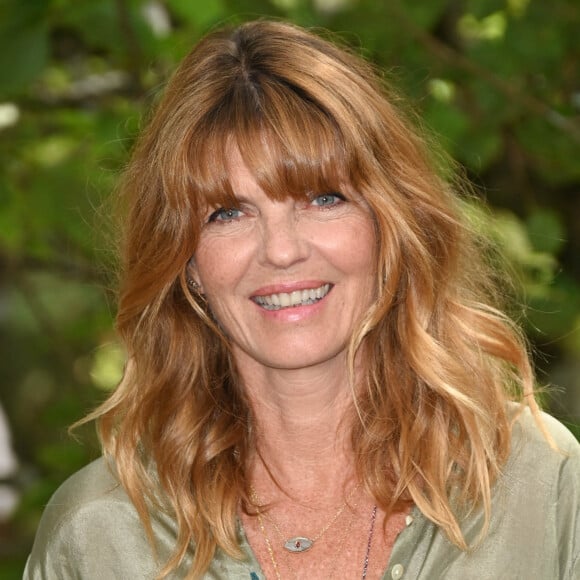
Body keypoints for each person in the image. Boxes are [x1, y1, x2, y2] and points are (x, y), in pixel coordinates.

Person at [24, 19, 579, 580]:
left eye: (323, 197)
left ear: (392, 226)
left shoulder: (536, 484)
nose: (282, 251)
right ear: (185, 263)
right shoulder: (99, 534)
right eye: (229, 213)